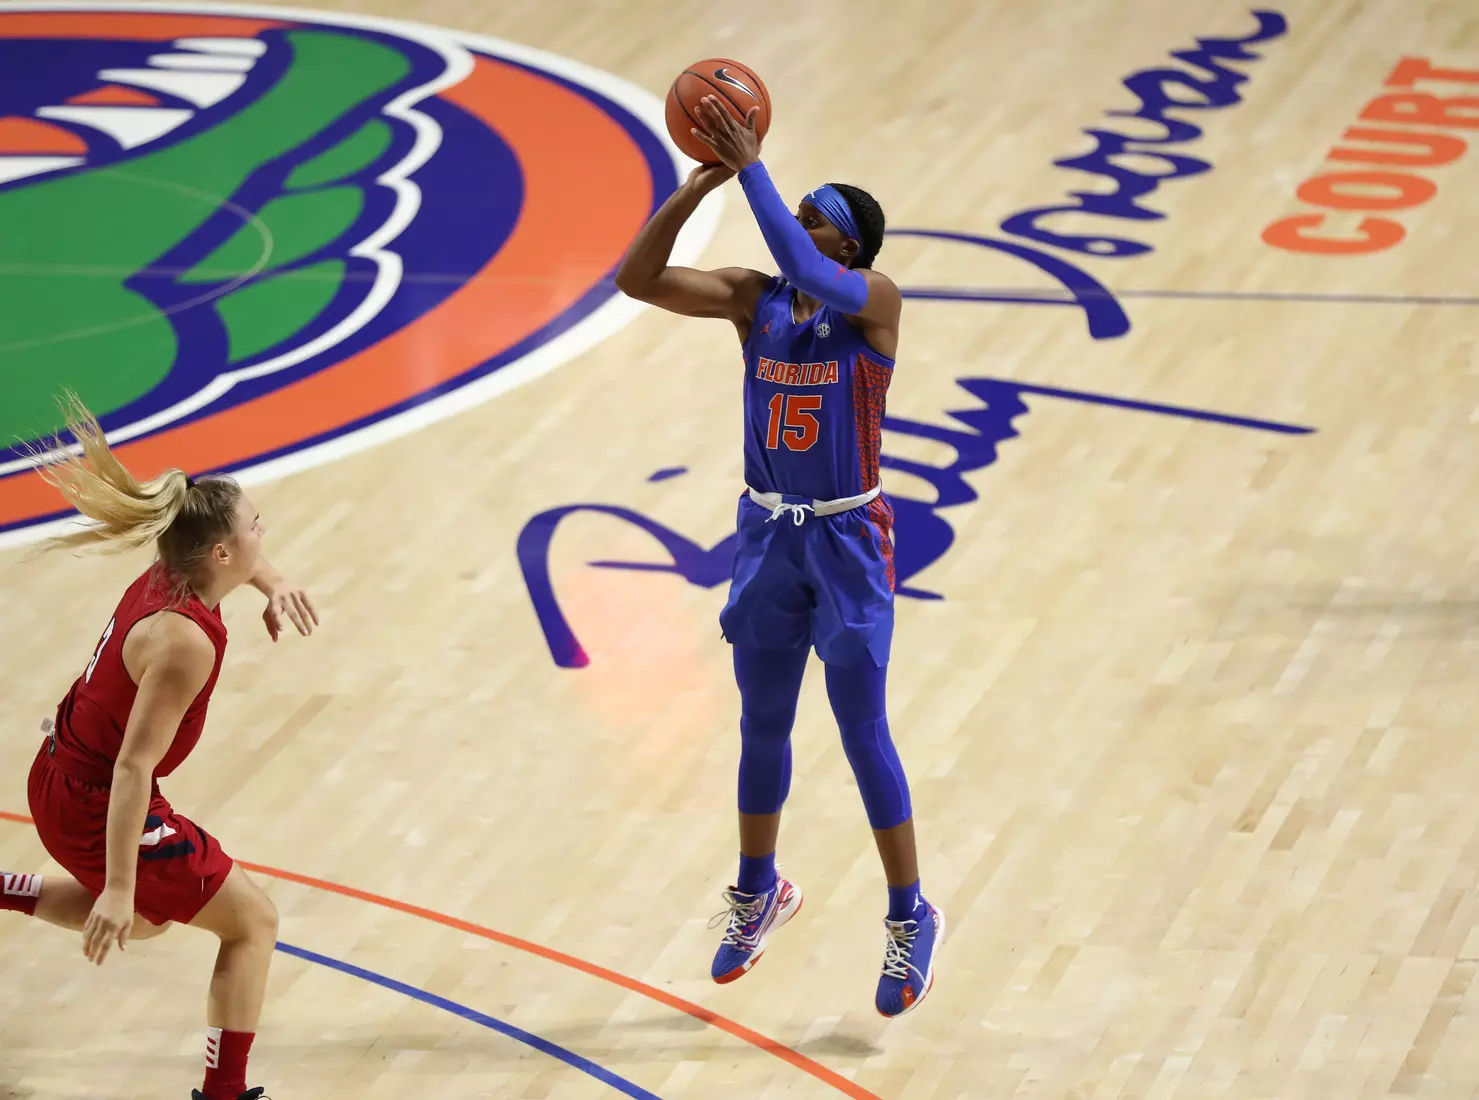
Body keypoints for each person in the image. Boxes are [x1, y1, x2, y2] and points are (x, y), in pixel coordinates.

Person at [614, 97, 942, 1016]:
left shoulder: (873, 305)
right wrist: (695, 188)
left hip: (848, 536)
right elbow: (636, 281)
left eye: (811, 219)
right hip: (766, 533)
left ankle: (910, 914)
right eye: (791, 212)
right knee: (762, 725)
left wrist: (752, 164)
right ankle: (759, 890)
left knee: (859, 729)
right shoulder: (754, 301)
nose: (793, 228)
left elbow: (798, 258)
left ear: (845, 246)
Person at [0, 394, 318, 1099]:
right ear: (222, 552)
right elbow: (134, 767)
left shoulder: (169, 572)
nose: (265, 535)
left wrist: (274, 579)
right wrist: (113, 886)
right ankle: (224, 1096)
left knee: (146, 921)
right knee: (251, 921)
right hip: (95, 794)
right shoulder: (183, 642)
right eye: (255, 530)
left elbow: (222, 550)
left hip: (55, 770)